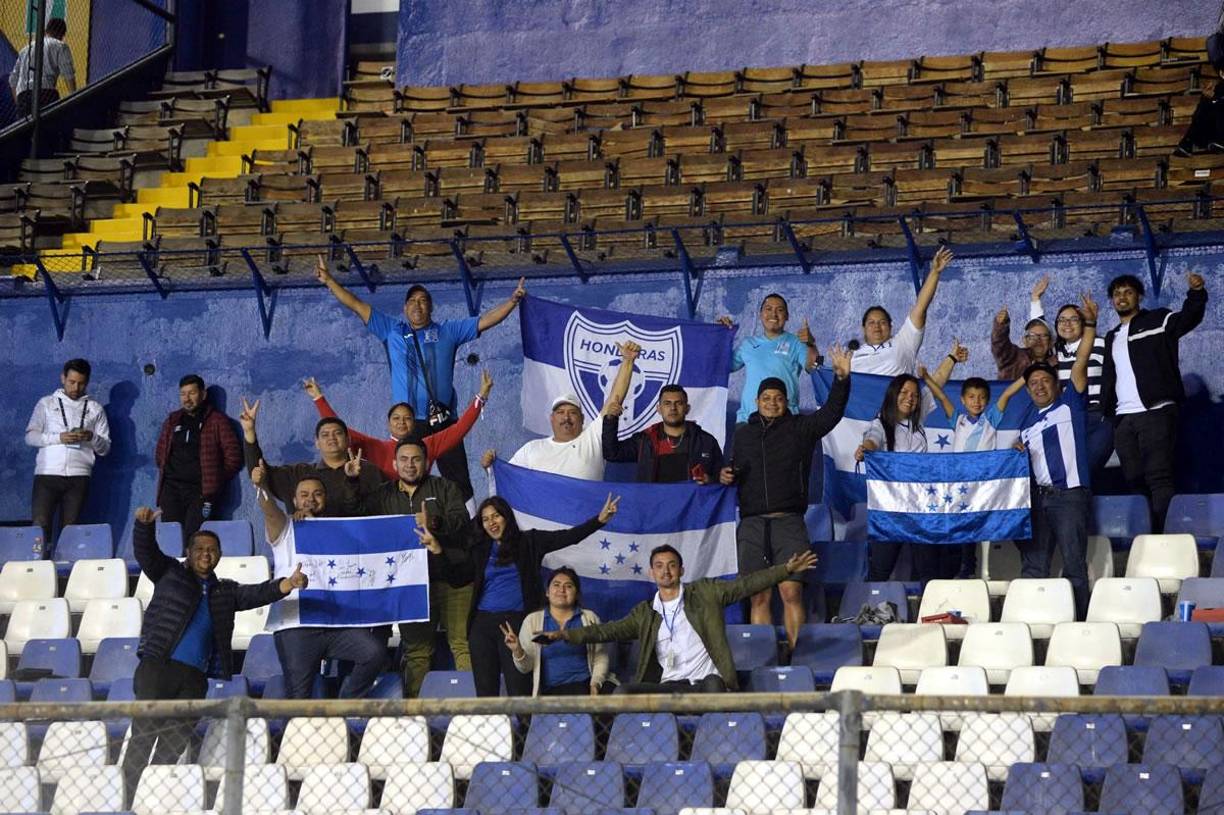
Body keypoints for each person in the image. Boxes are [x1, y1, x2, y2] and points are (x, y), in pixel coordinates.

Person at [121, 506, 306, 797]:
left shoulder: (225, 591)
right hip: (158, 668)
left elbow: (257, 593)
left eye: (213, 550)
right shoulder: (168, 572)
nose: (206, 554)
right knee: (143, 737)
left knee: (174, 743)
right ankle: (127, 799)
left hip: (194, 678)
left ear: (219, 555)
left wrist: (288, 584)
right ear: (189, 552)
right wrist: (143, 527)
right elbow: (147, 553)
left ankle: (151, 798)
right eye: (200, 549)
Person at [315, 254, 525, 501]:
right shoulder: (392, 331)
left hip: (442, 422)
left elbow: (485, 321)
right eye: (412, 301)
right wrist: (329, 280)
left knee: (458, 482)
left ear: (431, 307)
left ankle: (466, 532)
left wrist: (512, 302)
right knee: (402, 478)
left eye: (424, 301)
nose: (418, 305)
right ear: (405, 309)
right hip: (408, 424)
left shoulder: (448, 331)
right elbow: (356, 304)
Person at [536, 545, 818, 693]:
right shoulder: (645, 613)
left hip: (707, 682)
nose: (666, 571)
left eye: (671, 565)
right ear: (651, 573)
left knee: (713, 686)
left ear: (681, 570)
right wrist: (564, 635)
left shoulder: (706, 593)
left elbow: (747, 585)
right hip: (669, 685)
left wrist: (784, 570)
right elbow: (606, 631)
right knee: (623, 692)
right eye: (659, 566)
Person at [718, 344, 852, 648]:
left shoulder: (800, 428)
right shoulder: (742, 434)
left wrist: (842, 380)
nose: (772, 403)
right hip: (751, 526)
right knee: (759, 596)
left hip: (789, 524)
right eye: (766, 398)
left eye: (778, 399)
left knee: (791, 592)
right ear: (756, 402)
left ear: (787, 401)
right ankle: (762, 660)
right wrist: (726, 475)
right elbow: (734, 470)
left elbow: (831, 413)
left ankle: (796, 657)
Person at [424, 494, 619, 696]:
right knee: (485, 694)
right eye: (486, 519)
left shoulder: (530, 541)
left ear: (507, 517)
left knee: (520, 691)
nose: (491, 522)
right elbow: (457, 579)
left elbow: (567, 537)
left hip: (517, 624)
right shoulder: (480, 549)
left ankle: (525, 728)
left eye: (496, 516)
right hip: (482, 626)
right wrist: (438, 551)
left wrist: (599, 521)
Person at [252, 463, 387, 699]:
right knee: (300, 697)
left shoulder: (343, 530)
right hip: (297, 625)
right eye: (304, 495)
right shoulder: (284, 528)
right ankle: (296, 734)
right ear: (293, 500)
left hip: (337, 624)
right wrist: (261, 486)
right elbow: (268, 508)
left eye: (317, 494)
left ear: (326, 498)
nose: (311, 500)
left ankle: (344, 706)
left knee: (374, 652)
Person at [354, 439, 471, 697]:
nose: (410, 464)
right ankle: (415, 715)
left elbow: (462, 522)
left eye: (416, 459)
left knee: (461, 645)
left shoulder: (444, 487)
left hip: (452, 579)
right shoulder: (382, 496)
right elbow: (356, 521)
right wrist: (352, 482)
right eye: (404, 459)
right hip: (410, 587)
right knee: (417, 651)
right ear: (394, 464)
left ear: (426, 463)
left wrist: (435, 521)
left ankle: (473, 712)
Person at [1100, 272, 1208, 532]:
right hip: (1124, 419)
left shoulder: (1157, 320)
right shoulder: (1111, 336)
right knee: (1134, 479)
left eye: (1127, 292)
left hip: (1155, 412)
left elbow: (1188, 318)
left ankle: (1164, 537)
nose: (1122, 297)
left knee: (1159, 476)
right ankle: (1146, 534)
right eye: (1117, 294)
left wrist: (1196, 293)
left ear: (1139, 296)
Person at [1016, 293, 1100, 618]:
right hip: (1038, 500)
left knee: (1074, 566)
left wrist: (1089, 323)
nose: (1039, 386)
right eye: (1033, 383)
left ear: (1056, 384)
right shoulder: (1026, 424)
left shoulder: (1070, 404)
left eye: (1044, 381)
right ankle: (1033, 624)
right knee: (1034, 567)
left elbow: (1081, 358)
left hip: (1069, 498)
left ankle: (1078, 626)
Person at [921, 368, 1027, 578]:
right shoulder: (957, 421)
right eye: (971, 397)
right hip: (960, 485)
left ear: (987, 402)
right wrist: (926, 378)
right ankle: (966, 567)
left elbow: (1007, 394)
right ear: (962, 399)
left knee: (986, 524)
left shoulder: (990, 420)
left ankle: (994, 566)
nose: (976, 402)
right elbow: (941, 396)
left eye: (981, 398)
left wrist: (1026, 376)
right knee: (962, 527)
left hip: (984, 484)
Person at [482, 341, 640, 480]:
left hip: (590, 515)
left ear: (582, 418)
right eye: (560, 412)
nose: (566, 417)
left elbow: (615, 399)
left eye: (572, 412)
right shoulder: (531, 449)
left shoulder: (592, 439)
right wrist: (490, 467)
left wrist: (628, 361)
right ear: (551, 418)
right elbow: (507, 479)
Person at [304, 372, 492, 482]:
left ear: (414, 423)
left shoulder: (428, 445)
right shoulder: (373, 446)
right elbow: (337, 429)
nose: (401, 422)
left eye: (407, 418)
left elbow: (459, 430)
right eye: (396, 418)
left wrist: (481, 396)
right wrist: (318, 398)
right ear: (388, 424)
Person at [24, 358, 111, 556]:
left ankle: (64, 575)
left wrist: (92, 437)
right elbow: (30, 437)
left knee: (70, 530)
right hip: (47, 475)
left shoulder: (95, 409)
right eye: (71, 382)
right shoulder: (46, 403)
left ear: (87, 382)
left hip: (79, 477)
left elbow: (105, 449)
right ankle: (37, 570)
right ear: (63, 378)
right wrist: (59, 438)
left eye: (81, 383)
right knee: (40, 526)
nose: (75, 387)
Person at [240, 398, 383, 515]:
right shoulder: (297, 474)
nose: (331, 438)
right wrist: (249, 432)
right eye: (325, 435)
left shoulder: (369, 472)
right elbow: (259, 473)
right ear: (317, 443)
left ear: (348, 440)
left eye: (337, 433)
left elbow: (382, 510)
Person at [856, 373, 936, 582]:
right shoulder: (880, 424)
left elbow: (938, 381)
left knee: (927, 569)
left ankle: (923, 613)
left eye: (915, 395)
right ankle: (872, 611)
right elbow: (872, 440)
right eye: (904, 392)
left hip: (920, 507)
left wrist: (952, 358)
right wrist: (866, 449)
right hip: (890, 510)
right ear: (893, 394)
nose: (910, 398)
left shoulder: (918, 420)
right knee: (881, 569)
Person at [1031, 292, 1113, 478]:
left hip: (1097, 417)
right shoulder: (1055, 352)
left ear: (1084, 322)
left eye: (1073, 319)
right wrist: (1036, 300)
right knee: (1069, 471)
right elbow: (1038, 333)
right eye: (1062, 320)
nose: (1067, 324)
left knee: (1087, 469)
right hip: (1067, 420)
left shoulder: (1100, 344)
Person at [504, 568, 616, 696]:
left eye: (568, 586)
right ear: (547, 592)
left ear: (577, 593)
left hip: (590, 685)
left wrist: (595, 685)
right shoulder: (532, 621)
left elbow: (600, 658)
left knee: (616, 693)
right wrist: (517, 650)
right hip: (554, 691)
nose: (562, 590)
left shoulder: (590, 618)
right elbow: (525, 668)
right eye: (556, 585)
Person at [154, 374, 241, 540]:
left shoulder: (217, 421)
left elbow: (234, 456)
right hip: (171, 491)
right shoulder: (172, 421)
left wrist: (215, 479)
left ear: (203, 394)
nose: (187, 399)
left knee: (196, 539)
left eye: (192, 393)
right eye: (183, 394)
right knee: (171, 539)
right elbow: (160, 455)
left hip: (201, 493)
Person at [718, 294, 819, 422]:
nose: (774, 314)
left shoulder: (796, 343)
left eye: (780, 310)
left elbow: (816, 368)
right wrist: (719, 335)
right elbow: (721, 366)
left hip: (786, 421)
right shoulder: (748, 344)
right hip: (748, 421)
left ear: (787, 316)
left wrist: (812, 344)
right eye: (768, 309)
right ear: (760, 314)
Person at [852, 246, 952, 375]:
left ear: (890, 326)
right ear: (863, 328)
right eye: (871, 322)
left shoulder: (903, 343)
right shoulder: (852, 356)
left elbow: (920, 308)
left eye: (882, 322)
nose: (877, 326)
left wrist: (935, 272)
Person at [601, 384, 724, 483]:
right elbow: (612, 454)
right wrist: (611, 419)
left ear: (687, 408)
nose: (673, 408)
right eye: (667, 403)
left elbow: (722, 479)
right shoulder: (645, 440)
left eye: (678, 403)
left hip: (691, 511)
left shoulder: (706, 441)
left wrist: (711, 480)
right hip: (653, 510)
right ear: (659, 409)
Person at [7, 17, 76, 118]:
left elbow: (13, 81)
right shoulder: (60, 46)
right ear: (62, 35)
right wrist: (74, 96)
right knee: (50, 125)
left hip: (23, 95)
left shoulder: (25, 49)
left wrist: (19, 103)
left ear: (45, 31)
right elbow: (68, 74)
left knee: (26, 130)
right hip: (45, 92)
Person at [991, 277, 1055, 379]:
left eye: (1043, 336)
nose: (1038, 340)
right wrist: (1001, 325)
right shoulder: (1013, 358)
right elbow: (999, 344)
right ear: (1024, 340)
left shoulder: (1057, 364)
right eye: (1032, 336)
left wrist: (1035, 299)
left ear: (1051, 342)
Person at [1174, 36, 1224, 156]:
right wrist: (1209, 99)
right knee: (1209, 103)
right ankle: (1188, 142)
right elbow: (1198, 117)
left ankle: (1189, 142)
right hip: (1211, 137)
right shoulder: (1218, 89)